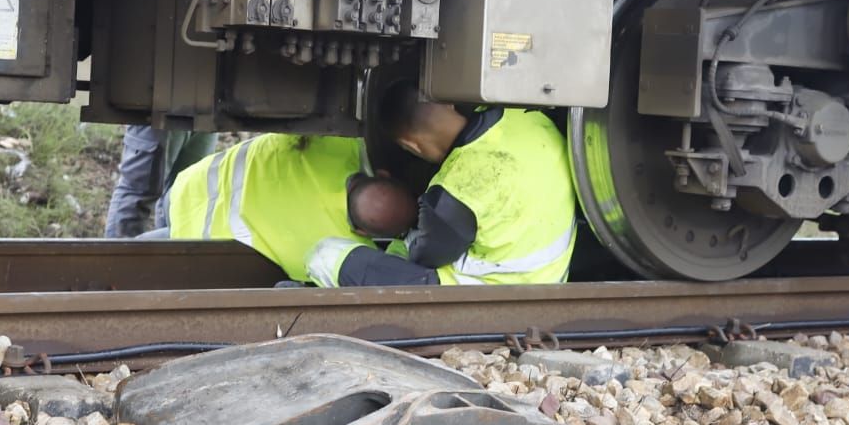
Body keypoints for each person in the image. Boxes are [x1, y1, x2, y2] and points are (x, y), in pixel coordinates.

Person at [306, 83, 576, 287]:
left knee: (326, 255)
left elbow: (425, 258)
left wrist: (405, 240)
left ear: (411, 145)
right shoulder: (523, 116)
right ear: (448, 105)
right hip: (552, 273)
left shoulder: (454, 192)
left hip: (497, 294)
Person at [166, 133, 416, 283]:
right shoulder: (336, 247)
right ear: (362, 231)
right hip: (194, 229)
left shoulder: (340, 143)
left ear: (382, 175)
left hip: (190, 181)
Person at [103, 125, 215, 238]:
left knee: (187, 200)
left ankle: (167, 254)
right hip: (158, 115)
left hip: (208, 117)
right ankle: (118, 254)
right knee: (137, 194)